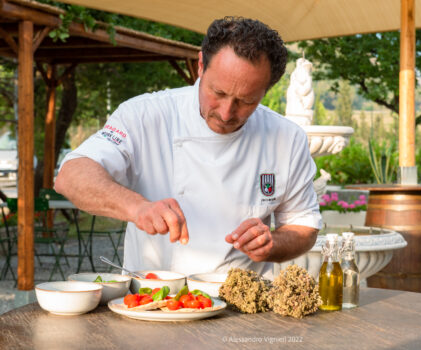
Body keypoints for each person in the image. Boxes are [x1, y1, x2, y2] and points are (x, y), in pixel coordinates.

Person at [55, 17, 322, 278]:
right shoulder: (145, 116)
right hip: (155, 302)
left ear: (267, 90)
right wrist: (137, 208)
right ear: (201, 66)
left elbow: (304, 226)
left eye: (246, 101)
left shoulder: (287, 138)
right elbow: (71, 176)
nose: (227, 113)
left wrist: (272, 244)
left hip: (244, 311)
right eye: (217, 93)